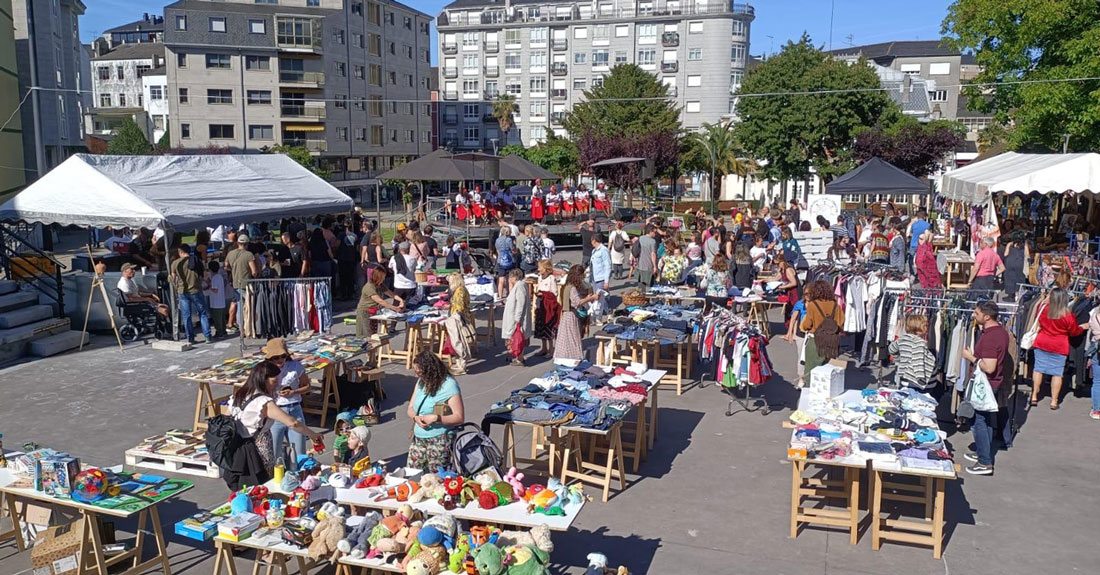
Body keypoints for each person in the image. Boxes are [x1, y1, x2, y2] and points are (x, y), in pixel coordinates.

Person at [223, 361, 322, 490]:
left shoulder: (241, 394)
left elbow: (226, 418)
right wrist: (313, 435)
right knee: (265, 485)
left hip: (237, 448)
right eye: (274, 381)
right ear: (263, 380)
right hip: (258, 449)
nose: (277, 385)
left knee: (245, 486)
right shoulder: (263, 402)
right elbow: (293, 423)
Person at [961, 300, 1010, 475]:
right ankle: (983, 452)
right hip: (993, 384)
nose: (974, 316)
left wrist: (971, 357)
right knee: (986, 419)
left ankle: (985, 462)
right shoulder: (1000, 332)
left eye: (977, 313)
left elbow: (989, 367)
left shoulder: (991, 338)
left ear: (987, 316)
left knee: (977, 421)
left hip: (986, 385)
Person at [406, 350, 465, 471]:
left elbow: (459, 417)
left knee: (436, 478)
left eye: (420, 372)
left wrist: (437, 418)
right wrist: (415, 418)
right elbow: (410, 408)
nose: (417, 376)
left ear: (430, 371)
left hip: (440, 439)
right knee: (412, 474)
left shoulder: (449, 385)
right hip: (419, 437)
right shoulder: (421, 382)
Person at [1030, 288, 1086, 410]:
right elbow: (1074, 332)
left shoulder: (1044, 310)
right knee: (1057, 373)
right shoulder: (1067, 316)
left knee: (1038, 369)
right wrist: (1082, 327)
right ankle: (1054, 401)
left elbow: (1039, 321)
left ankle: (1034, 395)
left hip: (1042, 342)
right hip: (1059, 346)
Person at [262, 338, 312, 470]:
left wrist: (294, 392)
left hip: (294, 408)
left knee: (299, 452)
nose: (280, 360)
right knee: (273, 453)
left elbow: (307, 386)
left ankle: (299, 477)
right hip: (276, 412)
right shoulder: (266, 369)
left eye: (283, 356)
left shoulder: (295, 366)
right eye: (276, 357)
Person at [554, 264, 600, 361]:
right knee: (572, 338)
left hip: (567, 314)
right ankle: (573, 359)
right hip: (570, 315)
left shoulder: (568, 286)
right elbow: (577, 303)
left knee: (567, 339)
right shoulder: (572, 288)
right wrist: (590, 298)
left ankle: (565, 358)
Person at [800, 280, 845, 375]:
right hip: (832, 341)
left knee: (811, 370)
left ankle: (809, 388)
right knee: (827, 370)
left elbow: (807, 324)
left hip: (815, 340)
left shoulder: (812, 305)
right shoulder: (835, 305)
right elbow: (841, 323)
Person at [171, 245, 212, 344]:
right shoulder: (196, 260)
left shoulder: (175, 263)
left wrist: (176, 287)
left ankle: (190, 338)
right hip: (196, 290)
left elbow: (173, 277)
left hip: (182, 291)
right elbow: (203, 275)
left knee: (187, 316)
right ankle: (207, 336)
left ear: (180, 252)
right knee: (202, 313)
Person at [889, 316, 937, 392]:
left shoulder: (902, 339)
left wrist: (899, 361)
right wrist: (920, 379)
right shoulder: (919, 343)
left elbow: (891, 349)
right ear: (918, 329)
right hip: (918, 384)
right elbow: (918, 361)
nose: (927, 328)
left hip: (904, 379)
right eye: (925, 326)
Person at [356, 267, 405, 336]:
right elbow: (381, 301)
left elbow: (391, 294)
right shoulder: (369, 287)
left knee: (373, 334)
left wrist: (400, 300)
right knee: (365, 335)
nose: (384, 279)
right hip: (364, 312)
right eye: (383, 277)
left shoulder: (379, 285)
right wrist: (395, 308)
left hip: (373, 311)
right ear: (378, 277)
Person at [226, 234, 260, 331]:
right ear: (247, 244)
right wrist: (255, 275)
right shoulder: (249, 255)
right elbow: (254, 271)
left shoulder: (230, 254)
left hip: (236, 283)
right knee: (249, 306)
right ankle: (248, 327)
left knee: (239, 305)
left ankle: (241, 328)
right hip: (246, 284)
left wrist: (233, 270)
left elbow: (225, 266)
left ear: (238, 243)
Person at [502, 269, 533, 366]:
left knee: (519, 337)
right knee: (516, 337)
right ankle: (518, 357)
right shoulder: (519, 286)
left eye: (510, 277)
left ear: (514, 277)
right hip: (515, 317)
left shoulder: (520, 286)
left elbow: (521, 302)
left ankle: (520, 358)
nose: (509, 279)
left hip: (517, 318)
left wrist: (517, 318)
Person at [444, 272, 473, 374]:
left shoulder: (459, 291)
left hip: (458, 318)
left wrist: (452, 307)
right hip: (459, 316)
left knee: (459, 341)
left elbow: (459, 306)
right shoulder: (461, 289)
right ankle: (459, 363)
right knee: (457, 341)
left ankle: (462, 366)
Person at [535, 260, 560, 357]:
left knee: (548, 327)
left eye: (540, 267)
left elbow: (554, 293)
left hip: (548, 306)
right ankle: (544, 347)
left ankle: (551, 349)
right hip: (540, 305)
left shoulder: (551, 278)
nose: (538, 269)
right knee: (541, 326)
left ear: (546, 269)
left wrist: (544, 294)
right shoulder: (539, 278)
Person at [1000, 233, 1030, 298]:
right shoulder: (1024, 244)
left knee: (1009, 277)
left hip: (1010, 262)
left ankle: (1011, 294)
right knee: (1019, 277)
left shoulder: (1010, 244)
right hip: (1019, 262)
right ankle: (1018, 293)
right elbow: (1027, 255)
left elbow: (1005, 254)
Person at [775, 253, 800, 325]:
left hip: (795, 292)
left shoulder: (788, 269)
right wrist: (764, 280)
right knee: (789, 311)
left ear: (782, 262)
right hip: (789, 292)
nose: (777, 265)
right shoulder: (782, 270)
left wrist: (781, 287)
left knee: (795, 311)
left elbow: (794, 283)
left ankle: (794, 331)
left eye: (778, 263)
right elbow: (776, 278)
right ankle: (789, 331)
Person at [205, 261, 228, 338]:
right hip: (221, 301)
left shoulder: (214, 278)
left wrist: (208, 287)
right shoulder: (219, 277)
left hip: (215, 302)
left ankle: (219, 332)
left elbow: (215, 290)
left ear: (210, 270)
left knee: (217, 319)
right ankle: (223, 331)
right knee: (222, 318)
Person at [589, 234, 611, 315]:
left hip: (601, 277)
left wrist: (606, 281)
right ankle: (600, 311)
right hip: (594, 277)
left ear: (594, 241)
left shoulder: (604, 250)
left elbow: (607, 266)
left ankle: (608, 311)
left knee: (600, 296)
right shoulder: (594, 250)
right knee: (597, 296)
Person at [494, 225, 518, 299]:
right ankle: (509, 295)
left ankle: (500, 296)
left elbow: (497, 250)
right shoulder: (509, 240)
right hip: (509, 260)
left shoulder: (497, 240)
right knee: (509, 279)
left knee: (501, 280)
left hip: (500, 260)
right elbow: (512, 250)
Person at [907, 209, 931, 274]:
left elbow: (911, 233)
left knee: (911, 259)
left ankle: (912, 272)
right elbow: (928, 235)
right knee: (921, 260)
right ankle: (920, 273)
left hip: (913, 243)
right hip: (922, 244)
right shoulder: (927, 225)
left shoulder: (914, 225)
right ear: (924, 217)